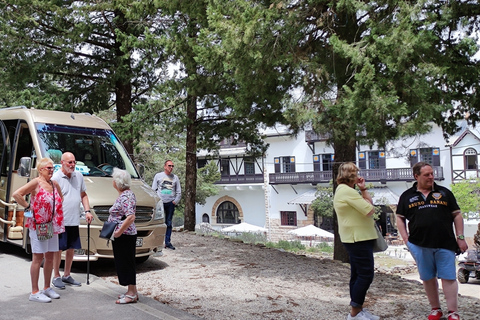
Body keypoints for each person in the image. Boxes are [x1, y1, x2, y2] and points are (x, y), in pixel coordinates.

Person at [396, 162, 468, 320]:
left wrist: (460, 237)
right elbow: (400, 218)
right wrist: (406, 239)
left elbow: (457, 215)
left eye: (432, 174)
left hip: (446, 243)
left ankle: (453, 312)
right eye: (426, 175)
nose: (431, 177)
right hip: (419, 244)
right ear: (416, 176)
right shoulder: (407, 196)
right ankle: (436, 309)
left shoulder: (444, 193)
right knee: (428, 278)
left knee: (448, 277)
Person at [12, 157, 65, 303]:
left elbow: (60, 199)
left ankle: (47, 287)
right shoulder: (36, 182)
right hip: (38, 225)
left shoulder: (54, 184)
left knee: (49, 257)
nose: (51, 170)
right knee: (38, 257)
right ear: (41, 170)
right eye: (48, 168)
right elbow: (17, 194)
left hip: (51, 225)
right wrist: (29, 207)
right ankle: (34, 291)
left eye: (52, 167)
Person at [333, 162, 380, 320]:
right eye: (356, 173)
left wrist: (362, 190)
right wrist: (363, 191)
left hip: (354, 238)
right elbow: (370, 210)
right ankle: (354, 313)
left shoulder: (343, 190)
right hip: (358, 238)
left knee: (357, 274)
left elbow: (367, 207)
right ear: (351, 176)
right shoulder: (348, 192)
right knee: (366, 275)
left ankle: (357, 310)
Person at [51, 152, 93, 289]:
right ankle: (56, 276)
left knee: (71, 249)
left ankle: (67, 275)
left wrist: (87, 211)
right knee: (58, 249)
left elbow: (83, 195)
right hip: (60, 220)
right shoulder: (56, 177)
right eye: (70, 162)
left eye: (74, 162)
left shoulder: (78, 176)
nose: (73, 165)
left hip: (74, 218)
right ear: (62, 162)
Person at [110, 167, 138, 304]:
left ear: (117, 182)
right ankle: (132, 291)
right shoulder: (126, 194)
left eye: (113, 179)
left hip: (125, 235)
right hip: (125, 235)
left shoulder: (126, 196)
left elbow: (130, 217)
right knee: (127, 263)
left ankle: (131, 294)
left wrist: (118, 232)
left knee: (126, 263)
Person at [151, 160, 181, 250]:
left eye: (172, 166)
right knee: (158, 222)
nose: (171, 167)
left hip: (170, 203)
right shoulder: (158, 176)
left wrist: (175, 201)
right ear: (165, 166)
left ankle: (167, 242)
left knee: (168, 223)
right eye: (169, 165)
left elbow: (179, 192)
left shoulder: (175, 178)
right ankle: (156, 242)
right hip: (160, 203)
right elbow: (153, 189)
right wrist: (156, 201)